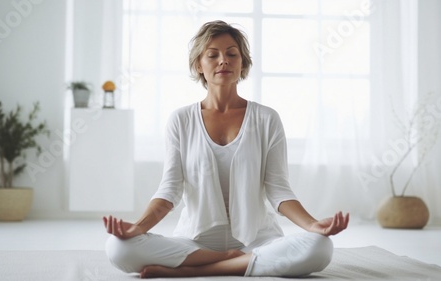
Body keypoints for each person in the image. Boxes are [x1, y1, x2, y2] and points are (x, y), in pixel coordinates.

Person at [103, 20, 349, 278]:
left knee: (320, 247)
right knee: (118, 248)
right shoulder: (181, 120)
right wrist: (137, 228)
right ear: (199, 64)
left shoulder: (267, 118)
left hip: (258, 241)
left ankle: (193, 271)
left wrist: (313, 225)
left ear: (242, 64)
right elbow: (169, 190)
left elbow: (278, 190)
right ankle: (229, 260)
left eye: (232, 54)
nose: (224, 60)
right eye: (213, 55)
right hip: (195, 243)